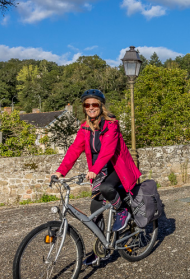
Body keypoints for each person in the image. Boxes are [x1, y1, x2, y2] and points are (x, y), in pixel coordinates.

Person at [51, 89, 141, 265]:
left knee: (107, 188)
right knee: (95, 209)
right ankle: (102, 249)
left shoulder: (111, 124)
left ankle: (122, 210)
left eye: (94, 104)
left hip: (117, 168)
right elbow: (75, 149)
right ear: (84, 108)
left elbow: (107, 150)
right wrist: (60, 171)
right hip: (101, 171)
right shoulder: (85, 128)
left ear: (101, 106)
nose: (91, 107)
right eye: (87, 105)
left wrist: (95, 169)